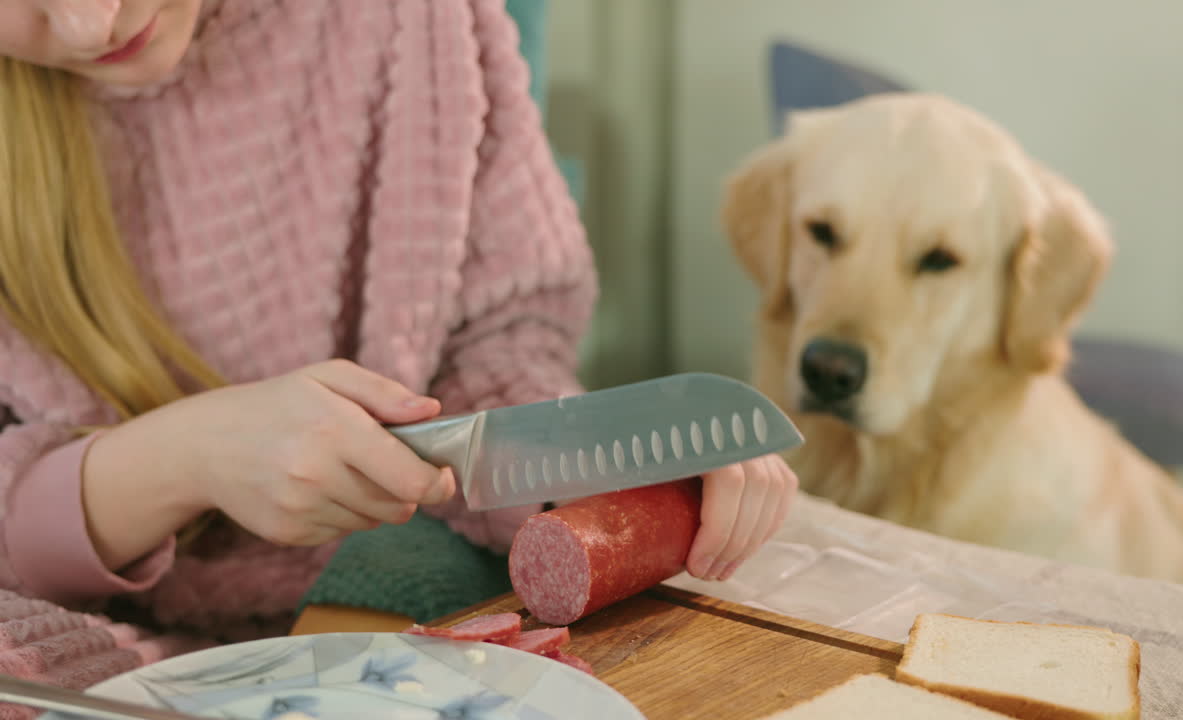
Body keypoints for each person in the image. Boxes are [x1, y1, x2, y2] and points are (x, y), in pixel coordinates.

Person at [0, 0, 798, 709]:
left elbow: (500, 332)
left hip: (379, 609)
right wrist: (182, 459)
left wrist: (586, 476)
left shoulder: (409, 22)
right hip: (70, 636)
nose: (88, 23)